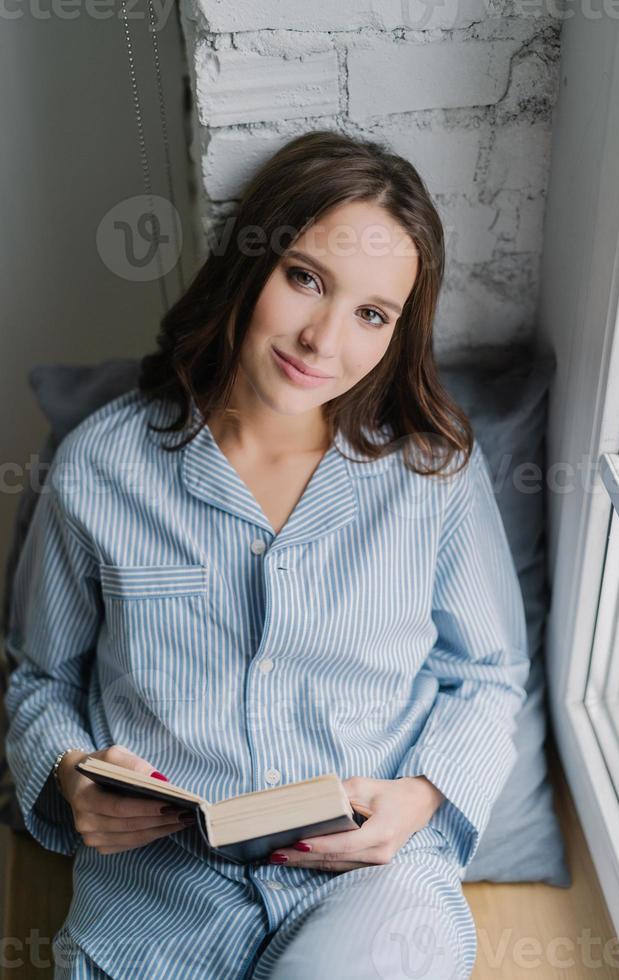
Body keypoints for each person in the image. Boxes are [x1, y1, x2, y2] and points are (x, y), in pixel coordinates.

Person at [4, 129, 529, 979]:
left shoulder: (434, 475)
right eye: (306, 279)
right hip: (156, 893)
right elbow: (42, 680)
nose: (324, 340)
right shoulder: (100, 465)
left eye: (372, 314)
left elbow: (490, 674)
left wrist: (421, 799)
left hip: (370, 879)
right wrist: (71, 777)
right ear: (252, 267)